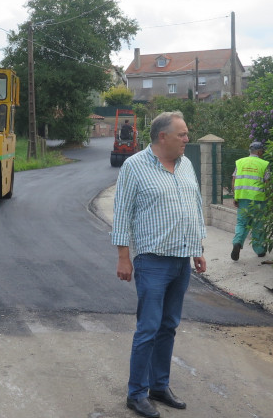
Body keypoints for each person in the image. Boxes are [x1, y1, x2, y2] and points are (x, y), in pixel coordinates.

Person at [112, 111, 207, 418]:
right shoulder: (134, 166)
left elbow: (195, 206)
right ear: (162, 136)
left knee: (168, 326)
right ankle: (136, 393)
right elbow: (122, 213)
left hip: (182, 259)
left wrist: (198, 249)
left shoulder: (187, 164)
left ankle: (159, 386)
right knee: (149, 327)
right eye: (182, 134)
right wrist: (123, 256)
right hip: (152, 260)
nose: (187, 139)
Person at [230, 141, 270, 260]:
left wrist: (235, 197)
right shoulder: (264, 164)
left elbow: (234, 180)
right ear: (259, 152)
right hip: (258, 199)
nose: (262, 154)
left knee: (242, 223)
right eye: (262, 151)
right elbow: (267, 182)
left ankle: (237, 242)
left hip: (243, 198)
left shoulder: (240, 162)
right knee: (258, 224)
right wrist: (269, 198)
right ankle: (260, 250)